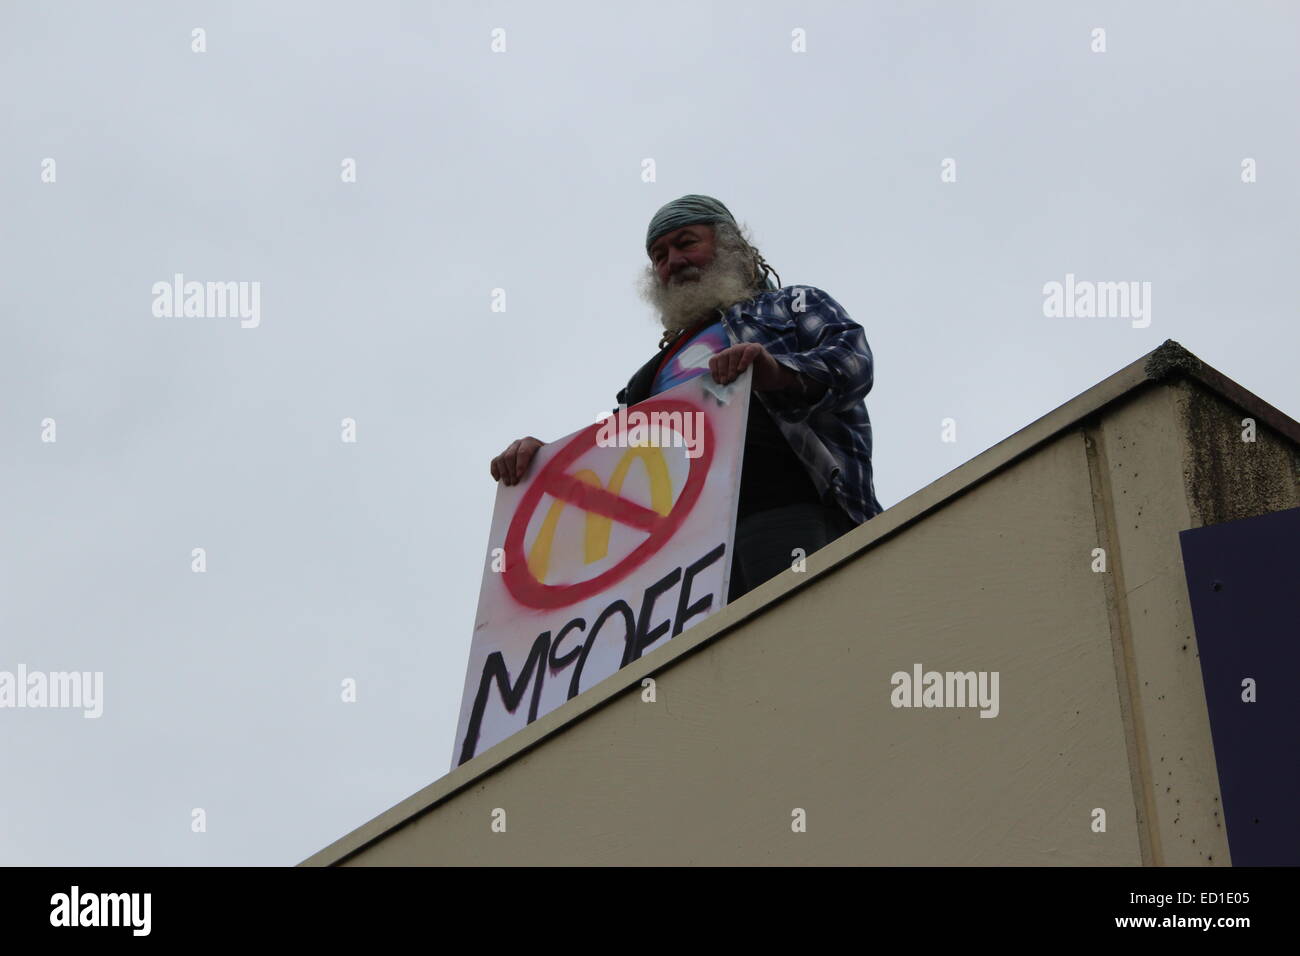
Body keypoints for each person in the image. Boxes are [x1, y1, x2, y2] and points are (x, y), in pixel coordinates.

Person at [490, 194, 883, 602]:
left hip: (783, 512)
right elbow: (616, 471)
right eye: (659, 255)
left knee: (796, 634)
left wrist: (775, 372)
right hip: (682, 558)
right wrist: (545, 465)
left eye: (686, 242)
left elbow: (852, 363)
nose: (672, 262)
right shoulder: (648, 378)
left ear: (731, 245)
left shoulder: (789, 306)